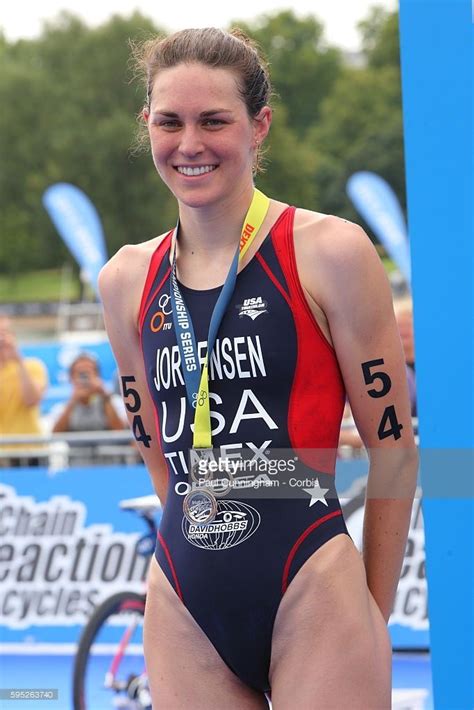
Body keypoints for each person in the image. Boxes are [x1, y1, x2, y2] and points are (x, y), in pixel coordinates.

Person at [98, 28, 418, 709]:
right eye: (170, 121)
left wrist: (372, 614)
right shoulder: (124, 279)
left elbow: (393, 450)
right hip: (186, 599)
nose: (190, 144)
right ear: (146, 124)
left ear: (258, 125)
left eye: (214, 120)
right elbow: (157, 448)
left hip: (312, 584)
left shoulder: (330, 251)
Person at [51, 353, 126, 463]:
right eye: (80, 374)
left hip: (111, 468)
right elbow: (55, 434)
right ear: (71, 378)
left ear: (97, 375)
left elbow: (119, 430)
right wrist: (73, 401)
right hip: (78, 470)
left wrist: (104, 395)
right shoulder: (62, 407)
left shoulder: (113, 401)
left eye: (89, 373)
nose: (85, 378)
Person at [0, 315, 48, 466]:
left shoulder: (33, 366)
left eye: (5, 333)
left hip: (31, 449)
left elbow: (32, 400)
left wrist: (18, 360)